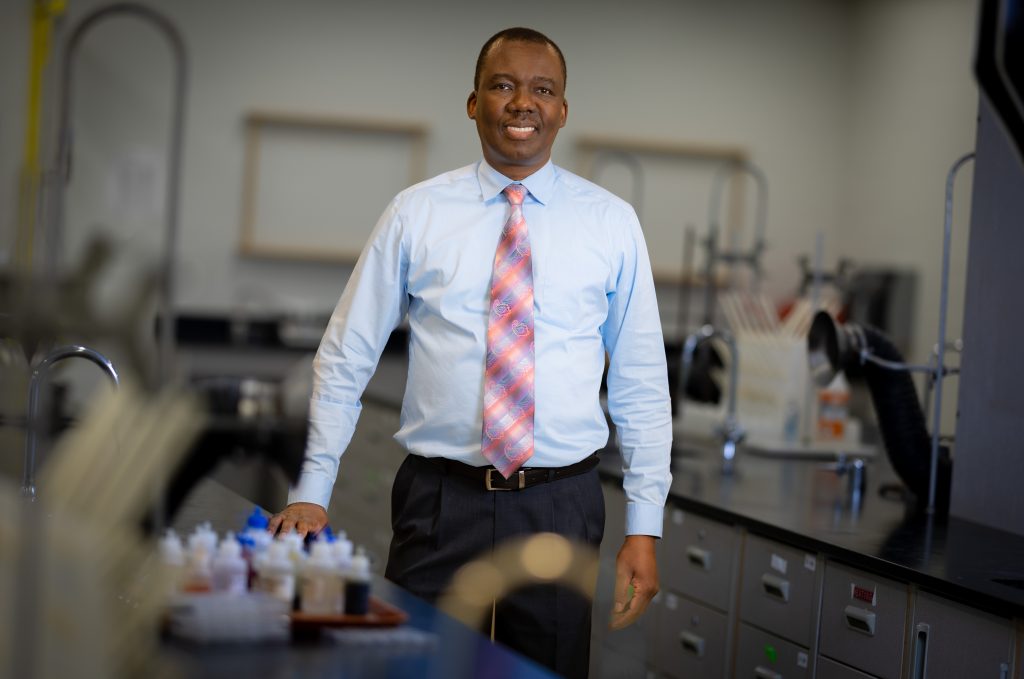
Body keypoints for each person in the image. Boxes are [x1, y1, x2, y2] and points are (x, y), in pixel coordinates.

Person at [269, 27, 672, 677]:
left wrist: (644, 527)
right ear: (473, 101)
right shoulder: (416, 213)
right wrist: (313, 488)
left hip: (559, 505)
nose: (522, 103)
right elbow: (346, 353)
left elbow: (642, 382)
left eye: (542, 89)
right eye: (503, 85)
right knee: (413, 667)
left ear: (562, 110)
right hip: (439, 500)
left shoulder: (611, 223)